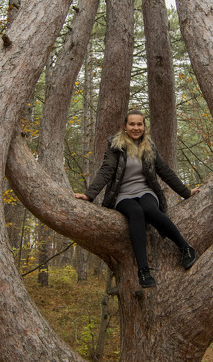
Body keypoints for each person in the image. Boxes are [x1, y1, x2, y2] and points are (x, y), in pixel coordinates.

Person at [75, 109, 200, 288]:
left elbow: (165, 172)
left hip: (146, 192)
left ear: (144, 126)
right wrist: (89, 194)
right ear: (125, 127)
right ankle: (143, 270)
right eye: (132, 124)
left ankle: (185, 248)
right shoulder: (115, 147)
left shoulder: (149, 148)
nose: (136, 127)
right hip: (123, 196)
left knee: (149, 209)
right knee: (136, 213)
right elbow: (106, 171)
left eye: (139, 124)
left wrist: (186, 192)